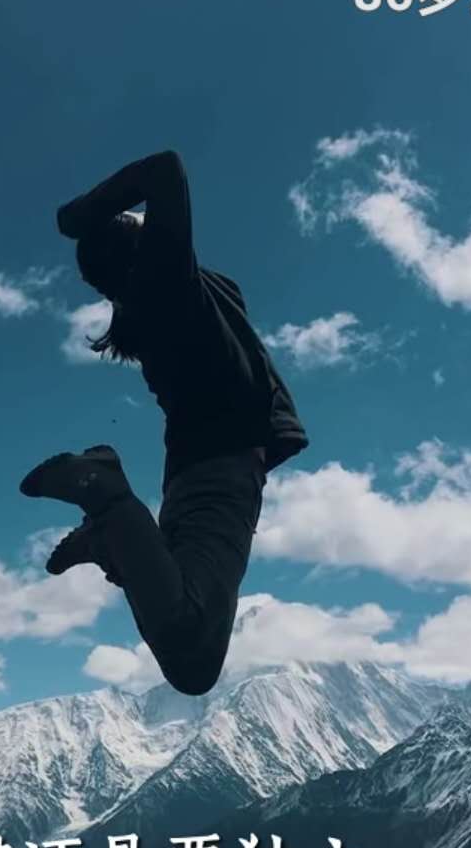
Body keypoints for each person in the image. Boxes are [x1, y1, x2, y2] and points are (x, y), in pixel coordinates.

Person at [22, 149, 309, 696]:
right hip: (219, 470)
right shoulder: (165, 289)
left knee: (187, 657)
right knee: (191, 649)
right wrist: (81, 217)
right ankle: (106, 496)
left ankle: (114, 540)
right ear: (143, 252)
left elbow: (212, 283)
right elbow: (165, 170)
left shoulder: (189, 295)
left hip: (202, 471)